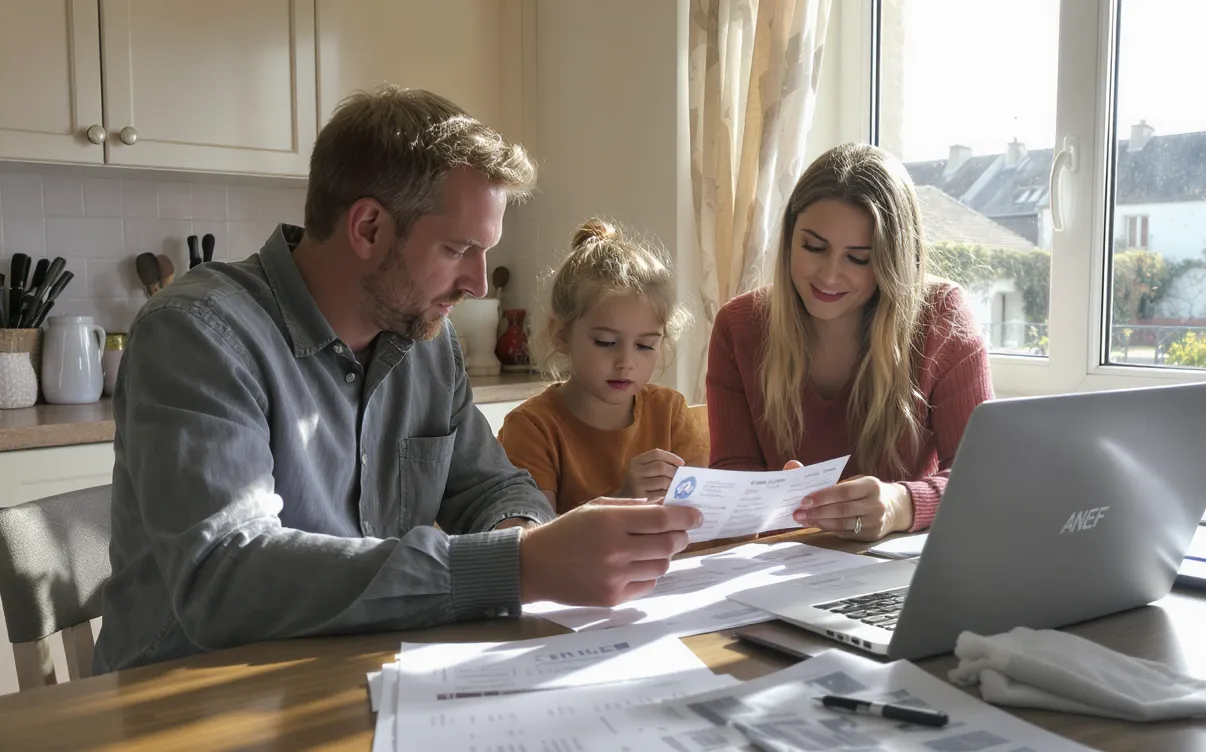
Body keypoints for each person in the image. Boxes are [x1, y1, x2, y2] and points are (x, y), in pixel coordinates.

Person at [93, 86, 700, 674]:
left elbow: (493, 490)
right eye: (459, 248)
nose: (479, 284)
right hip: (194, 698)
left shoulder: (428, 346)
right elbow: (225, 577)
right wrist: (516, 565)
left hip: (363, 680)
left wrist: (525, 536)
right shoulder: (198, 334)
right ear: (368, 229)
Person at [705, 142, 993, 542]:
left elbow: (984, 482)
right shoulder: (739, 327)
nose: (829, 275)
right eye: (813, 247)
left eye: (858, 258)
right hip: (782, 564)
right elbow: (732, 473)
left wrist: (899, 504)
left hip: (900, 573)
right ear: (789, 237)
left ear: (892, 260)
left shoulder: (942, 317)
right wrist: (764, 499)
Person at [498, 219, 707, 513]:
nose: (626, 363)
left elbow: (704, 519)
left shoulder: (670, 412)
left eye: (645, 346)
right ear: (561, 335)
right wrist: (623, 500)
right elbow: (537, 540)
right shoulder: (532, 428)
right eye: (606, 342)